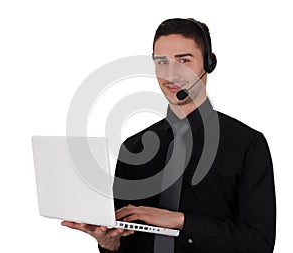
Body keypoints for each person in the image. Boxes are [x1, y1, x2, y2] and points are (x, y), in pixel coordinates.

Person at [62, 18, 276, 253]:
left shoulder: (247, 144)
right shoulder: (132, 148)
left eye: (183, 60)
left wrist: (179, 221)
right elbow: (123, 244)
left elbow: (259, 243)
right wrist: (107, 241)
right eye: (162, 62)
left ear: (209, 62)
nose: (171, 74)